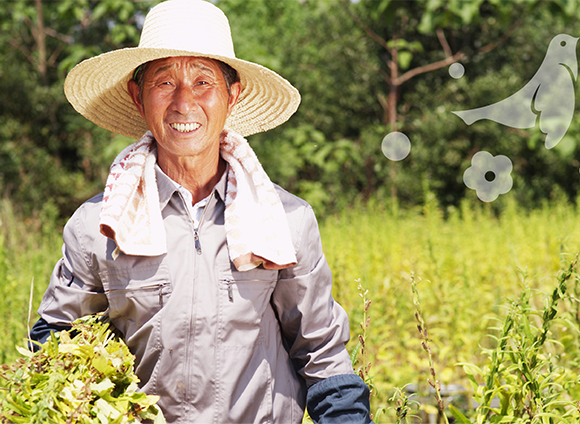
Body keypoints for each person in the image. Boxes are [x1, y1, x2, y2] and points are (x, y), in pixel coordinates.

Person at [29, 0, 372, 422]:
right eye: (164, 82)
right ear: (138, 97)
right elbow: (55, 346)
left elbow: (321, 355)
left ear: (232, 95)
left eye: (203, 81)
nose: (184, 102)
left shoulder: (283, 221)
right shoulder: (99, 227)